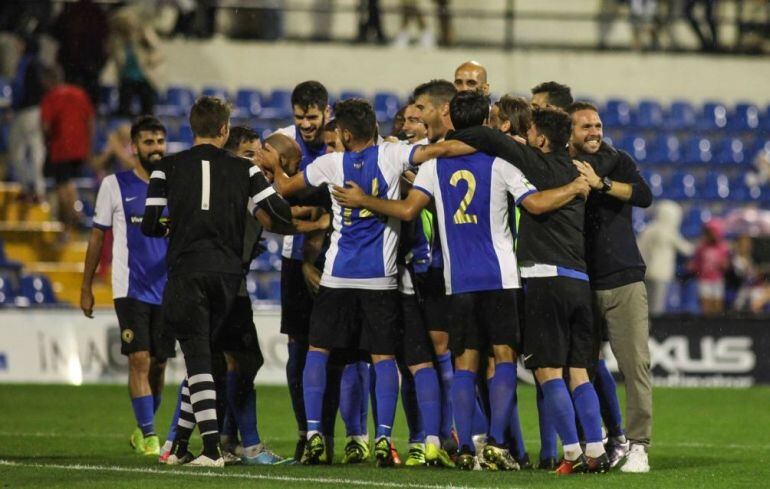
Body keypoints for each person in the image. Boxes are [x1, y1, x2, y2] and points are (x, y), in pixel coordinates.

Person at [333, 91, 590, 471]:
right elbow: (534, 204)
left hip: (459, 280)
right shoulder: (501, 162)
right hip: (501, 276)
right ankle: (498, 444)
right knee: (503, 358)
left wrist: (364, 201)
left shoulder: (434, 168)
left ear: (452, 119)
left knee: (465, 365)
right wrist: (575, 187)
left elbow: (406, 211)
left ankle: (467, 446)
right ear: (487, 117)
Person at [432, 107, 610, 474]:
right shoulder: (580, 170)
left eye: (530, 134)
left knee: (548, 373)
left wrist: (444, 141)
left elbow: (488, 140)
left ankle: (573, 454)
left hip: (545, 280)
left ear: (540, 138)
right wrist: (579, 187)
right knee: (579, 371)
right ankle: (597, 448)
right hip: (580, 280)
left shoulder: (529, 163)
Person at [258, 99, 420, 467]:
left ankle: (315, 434)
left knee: (319, 351)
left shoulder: (329, 164)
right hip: (381, 278)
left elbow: (285, 189)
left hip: (337, 276)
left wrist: (272, 165)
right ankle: (383, 439)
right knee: (383, 358)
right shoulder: (394, 155)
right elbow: (433, 152)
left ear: (344, 133)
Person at [142, 96, 292, 467]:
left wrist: (177, 228)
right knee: (208, 360)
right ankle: (178, 446)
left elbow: (150, 224)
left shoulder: (166, 167)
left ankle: (210, 451)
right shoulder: (246, 170)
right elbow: (278, 212)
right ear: (224, 130)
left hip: (187, 270)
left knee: (199, 359)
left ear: (192, 128)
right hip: (227, 276)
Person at [568, 101, 654, 472]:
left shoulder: (616, 159)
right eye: (586, 127)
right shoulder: (559, 165)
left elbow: (644, 195)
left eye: (598, 125)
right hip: (580, 281)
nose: (595, 132)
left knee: (635, 366)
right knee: (581, 366)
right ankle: (598, 438)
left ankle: (639, 446)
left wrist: (600, 184)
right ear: (569, 133)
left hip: (623, 279)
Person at [80, 115, 173, 458]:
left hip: (167, 289)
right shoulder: (113, 185)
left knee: (160, 364)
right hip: (130, 288)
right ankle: (150, 435)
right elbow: (96, 235)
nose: (155, 148)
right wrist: (86, 286)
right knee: (140, 359)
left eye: (160, 142)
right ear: (134, 148)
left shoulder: (175, 185)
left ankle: (141, 429)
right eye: (148, 142)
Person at [273, 81, 340, 463]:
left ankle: (332, 435)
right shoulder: (282, 142)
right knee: (299, 351)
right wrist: (316, 221)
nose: (307, 125)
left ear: (326, 111)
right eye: (300, 117)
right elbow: (272, 203)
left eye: (313, 117)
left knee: (333, 353)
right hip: (294, 256)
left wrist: (322, 218)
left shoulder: (337, 140)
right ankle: (306, 433)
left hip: (337, 258)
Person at [39, 65, 95, 233]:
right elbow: (91, 120)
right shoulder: (79, 93)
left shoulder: (50, 97)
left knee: (63, 184)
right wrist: (88, 145)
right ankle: (69, 224)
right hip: (80, 148)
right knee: (64, 183)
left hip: (62, 148)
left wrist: (46, 141)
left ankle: (75, 219)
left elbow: (45, 126)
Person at [637, 200, 694, 315]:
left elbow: (639, 248)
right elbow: (687, 250)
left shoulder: (649, 229)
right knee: (656, 306)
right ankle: (653, 329)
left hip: (646, 272)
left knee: (645, 304)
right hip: (661, 274)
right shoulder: (668, 231)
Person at [8, 33, 46, 203]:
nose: (17, 46)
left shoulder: (25, 62)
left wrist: (13, 106)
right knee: (36, 150)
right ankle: (38, 190)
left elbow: (19, 88)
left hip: (26, 112)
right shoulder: (40, 63)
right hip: (37, 111)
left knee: (18, 151)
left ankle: (28, 188)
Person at [108, 8, 163, 117]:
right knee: (124, 111)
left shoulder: (144, 34)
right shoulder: (117, 41)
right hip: (126, 79)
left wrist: (150, 60)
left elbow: (159, 52)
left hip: (145, 77)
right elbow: (115, 58)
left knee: (147, 112)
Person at [689, 219, 730, 315]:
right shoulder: (701, 247)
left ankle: (717, 328)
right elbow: (696, 263)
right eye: (707, 232)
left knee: (717, 306)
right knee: (706, 307)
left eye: (712, 232)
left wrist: (724, 265)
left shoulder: (723, 248)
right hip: (704, 280)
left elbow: (726, 266)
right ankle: (707, 327)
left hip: (717, 280)